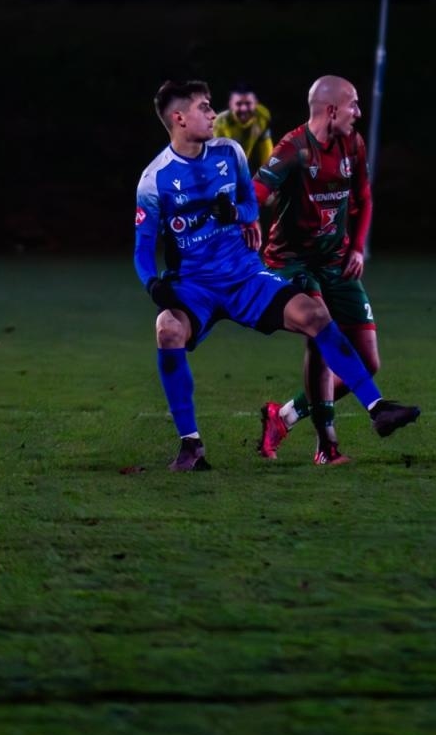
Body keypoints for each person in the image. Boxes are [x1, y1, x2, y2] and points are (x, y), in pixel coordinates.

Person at [134, 80, 419, 472]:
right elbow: (142, 248)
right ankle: (191, 446)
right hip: (195, 285)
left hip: (245, 277)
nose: (214, 114)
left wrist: (238, 214)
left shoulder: (230, 152)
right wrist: (153, 284)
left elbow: (251, 205)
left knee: (316, 316)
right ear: (179, 118)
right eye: (204, 107)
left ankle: (377, 408)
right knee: (167, 328)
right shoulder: (154, 179)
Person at [253, 76, 385, 465]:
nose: (358, 112)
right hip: (291, 261)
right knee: (321, 332)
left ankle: (284, 417)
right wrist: (246, 214)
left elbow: (364, 197)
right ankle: (327, 447)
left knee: (368, 363)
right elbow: (257, 190)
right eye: (353, 104)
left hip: (335, 260)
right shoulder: (293, 149)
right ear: (331, 110)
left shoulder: (352, 144)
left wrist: (357, 247)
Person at [213, 84, 275, 174]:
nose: (243, 109)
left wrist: (268, 175)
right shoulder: (219, 124)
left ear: (256, 103)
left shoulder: (262, 116)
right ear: (230, 104)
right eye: (238, 104)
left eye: (248, 103)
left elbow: (267, 150)